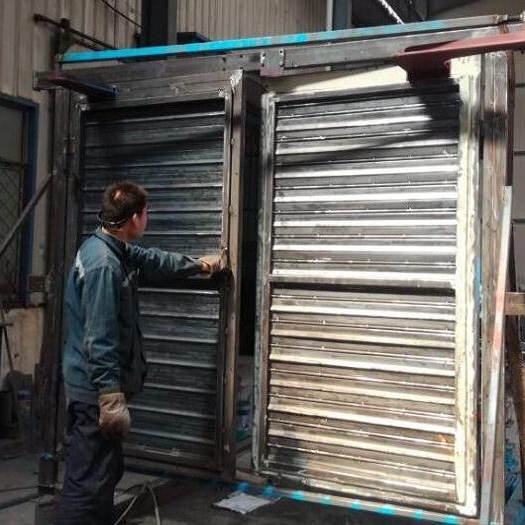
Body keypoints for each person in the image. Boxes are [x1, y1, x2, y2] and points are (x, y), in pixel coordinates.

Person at [56, 181, 226, 525]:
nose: (148, 219)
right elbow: (99, 337)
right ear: (133, 218)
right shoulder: (104, 265)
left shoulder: (107, 246)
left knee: (103, 473)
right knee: (88, 484)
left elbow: (152, 261)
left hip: (91, 388)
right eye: (146, 213)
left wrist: (198, 265)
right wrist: (110, 396)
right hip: (94, 393)